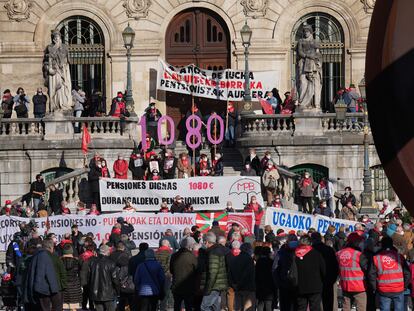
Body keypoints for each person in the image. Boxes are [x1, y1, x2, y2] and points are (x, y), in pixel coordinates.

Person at [368, 236, 411, 310]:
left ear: (381, 245)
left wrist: (375, 288)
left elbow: (371, 275)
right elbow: (407, 273)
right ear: (392, 244)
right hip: (398, 289)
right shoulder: (399, 257)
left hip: (383, 290)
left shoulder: (376, 258)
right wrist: (405, 286)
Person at [22, 238, 61, 310]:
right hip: (43, 290)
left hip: (38, 290)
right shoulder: (43, 255)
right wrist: (55, 291)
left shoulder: (36, 255)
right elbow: (50, 275)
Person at [336, 232, 368, 311]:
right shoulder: (359, 254)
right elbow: (367, 268)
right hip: (359, 286)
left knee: (346, 307)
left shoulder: (338, 253)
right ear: (355, 242)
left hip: (345, 285)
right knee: (361, 308)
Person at [295, 235, 326, 311]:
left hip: (299, 285)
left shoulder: (294, 253)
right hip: (315, 285)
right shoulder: (316, 253)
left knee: (301, 307)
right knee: (315, 307)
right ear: (310, 243)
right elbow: (323, 269)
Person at [200, 232, 229, 311]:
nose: (203, 244)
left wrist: (208, 289)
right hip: (218, 284)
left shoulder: (213, 252)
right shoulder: (218, 250)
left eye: (204, 241)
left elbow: (213, 272)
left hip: (214, 286)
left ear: (207, 242)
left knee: (204, 306)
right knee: (215, 307)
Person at [311, 232, 339, 311]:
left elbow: (335, 266)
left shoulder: (311, 250)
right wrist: (333, 279)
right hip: (328, 280)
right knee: (328, 304)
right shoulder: (329, 249)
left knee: (315, 305)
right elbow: (335, 266)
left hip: (315, 282)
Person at [87, 244, 119, 311]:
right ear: (107, 252)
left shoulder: (92, 262)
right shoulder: (111, 263)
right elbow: (115, 279)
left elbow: (88, 278)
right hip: (108, 294)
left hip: (96, 293)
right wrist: (117, 291)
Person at [170, 237, 198, 311]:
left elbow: (171, 270)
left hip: (176, 285)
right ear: (189, 246)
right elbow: (197, 270)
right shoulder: (192, 256)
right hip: (189, 285)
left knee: (177, 305)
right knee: (188, 305)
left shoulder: (174, 256)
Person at [227, 242, 256, 311]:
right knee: (248, 308)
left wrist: (234, 284)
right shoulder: (249, 260)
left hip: (237, 288)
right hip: (248, 288)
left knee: (238, 307)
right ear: (249, 250)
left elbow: (230, 274)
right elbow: (248, 274)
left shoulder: (234, 259)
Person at [61, 244, 82, 311]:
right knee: (74, 307)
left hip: (63, 286)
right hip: (75, 287)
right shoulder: (77, 261)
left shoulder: (59, 261)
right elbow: (80, 273)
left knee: (63, 307)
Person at [255, 246, 275, 311]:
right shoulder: (271, 262)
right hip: (269, 287)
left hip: (260, 286)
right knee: (268, 305)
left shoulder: (258, 262)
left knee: (260, 304)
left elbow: (256, 274)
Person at [155, 240, 173, 311]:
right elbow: (168, 264)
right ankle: (162, 308)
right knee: (165, 293)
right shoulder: (169, 253)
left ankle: (156, 307)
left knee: (157, 292)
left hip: (156, 275)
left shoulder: (156, 252)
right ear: (167, 245)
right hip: (166, 275)